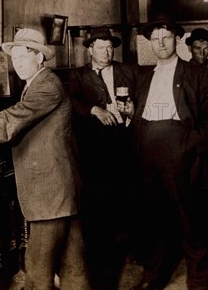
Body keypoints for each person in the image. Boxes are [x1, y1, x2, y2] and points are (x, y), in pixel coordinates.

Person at [0, 28, 90, 290]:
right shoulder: (39, 84)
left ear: (40, 58)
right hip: (63, 193)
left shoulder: (48, 85)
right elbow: (20, 116)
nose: (17, 63)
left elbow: (15, 118)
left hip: (50, 195)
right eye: (15, 58)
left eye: (24, 57)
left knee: (37, 272)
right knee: (73, 269)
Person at [130, 15, 208, 290]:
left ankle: (198, 280)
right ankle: (154, 275)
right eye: (155, 39)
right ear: (150, 43)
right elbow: (141, 114)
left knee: (190, 219)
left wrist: (187, 145)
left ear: (177, 39)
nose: (160, 43)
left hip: (180, 152)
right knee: (154, 217)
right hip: (148, 152)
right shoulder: (144, 76)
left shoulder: (198, 74)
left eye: (166, 37)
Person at [68, 26, 137, 290]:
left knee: (127, 194)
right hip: (94, 148)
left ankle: (128, 245)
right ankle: (103, 251)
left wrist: (132, 110)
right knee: (99, 200)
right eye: (100, 48)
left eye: (109, 47)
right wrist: (94, 109)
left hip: (126, 141)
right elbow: (71, 100)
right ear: (89, 50)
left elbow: (140, 98)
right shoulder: (78, 75)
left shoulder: (128, 70)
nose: (106, 52)